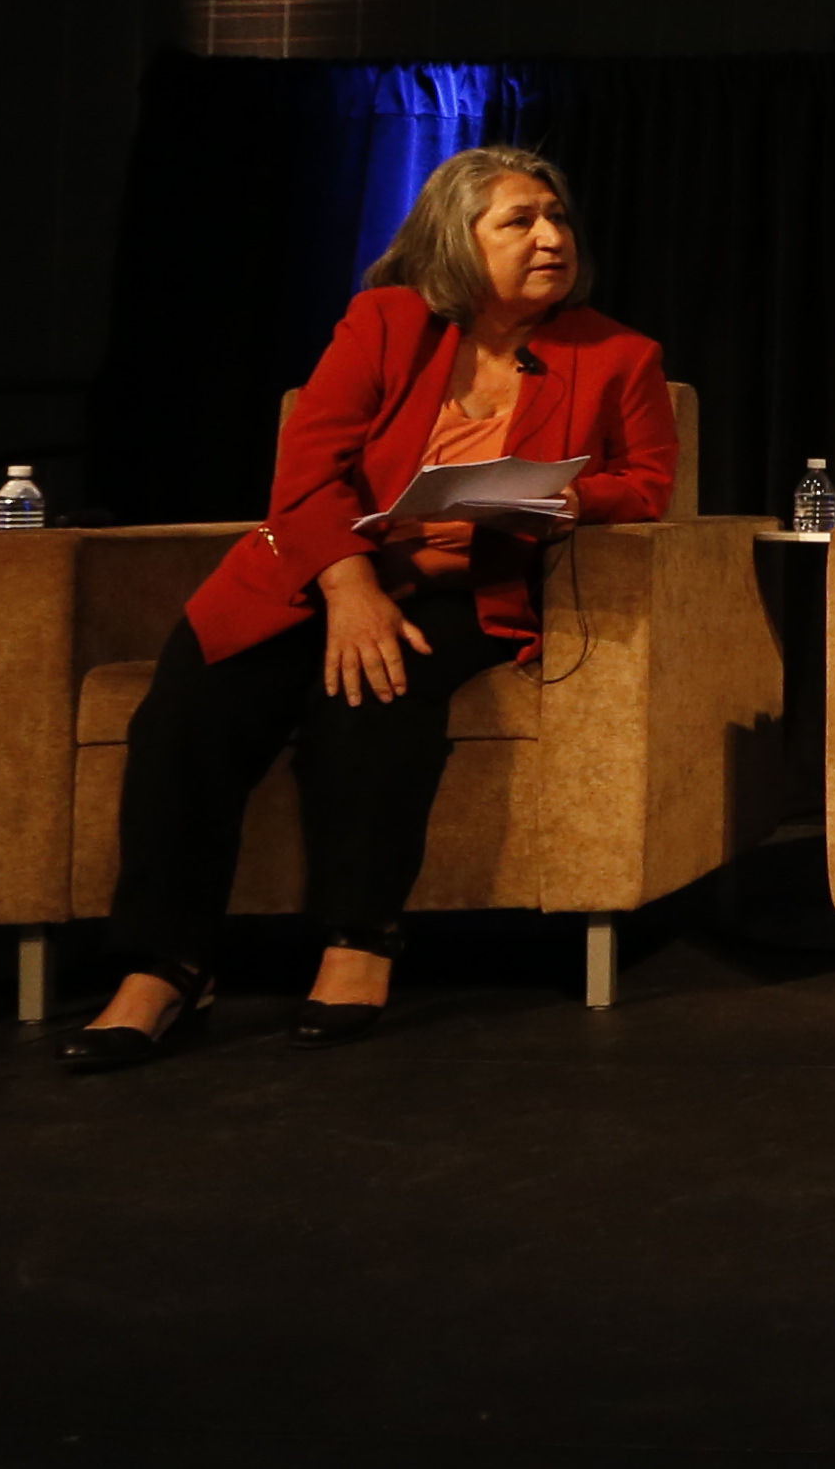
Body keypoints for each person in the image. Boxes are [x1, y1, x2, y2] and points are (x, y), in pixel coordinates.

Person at [65, 148, 677, 1068]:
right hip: (312, 575)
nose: (551, 237)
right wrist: (349, 587)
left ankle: (359, 940)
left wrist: (572, 499)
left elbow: (649, 484)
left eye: (558, 218)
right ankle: (164, 966)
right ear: (456, 239)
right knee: (189, 712)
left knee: (379, 692)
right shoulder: (385, 323)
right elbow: (305, 475)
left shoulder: (618, 353)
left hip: (468, 587)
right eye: (520, 221)